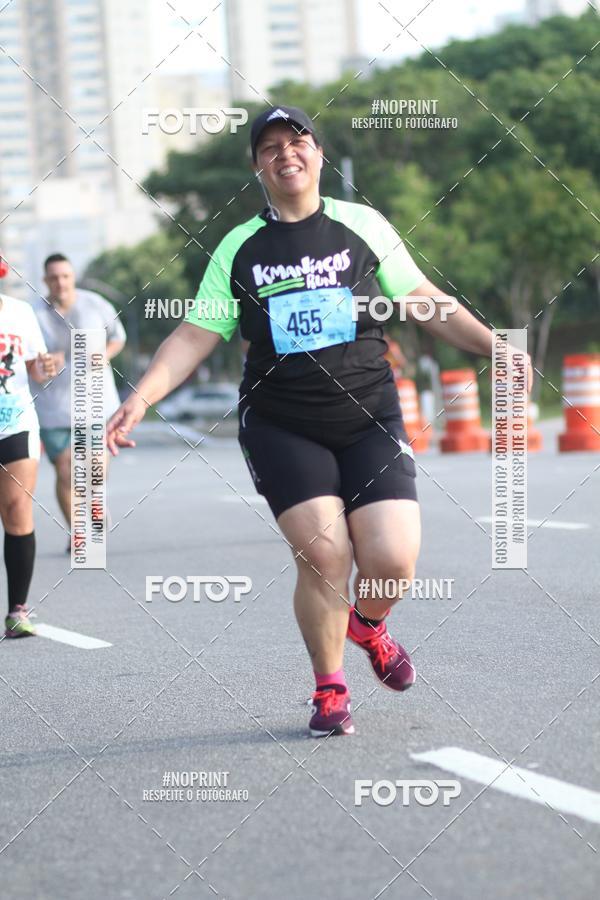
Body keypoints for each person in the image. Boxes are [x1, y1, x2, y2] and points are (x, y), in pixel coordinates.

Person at [107, 105, 532, 737]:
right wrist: (141, 397)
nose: (286, 153)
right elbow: (197, 332)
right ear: (258, 167)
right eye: (270, 147)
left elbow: (422, 299)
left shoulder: (361, 225)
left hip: (369, 414)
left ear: (319, 154)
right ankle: (330, 687)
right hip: (282, 423)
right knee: (326, 554)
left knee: (393, 559)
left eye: (297, 141)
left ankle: (369, 626)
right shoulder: (239, 247)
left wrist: (495, 345)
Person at [32, 254, 126, 549]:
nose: (60, 282)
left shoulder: (95, 304)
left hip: (96, 403)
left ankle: (95, 502)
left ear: (72, 277)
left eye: (65, 276)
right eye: (54, 277)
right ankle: (79, 534)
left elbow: (118, 337)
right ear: (45, 280)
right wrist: (45, 363)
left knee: (95, 469)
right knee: (66, 470)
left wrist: (105, 355)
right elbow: (28, 358)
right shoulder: (34, 314)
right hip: (53, 408)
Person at [0, 257, 57, 637]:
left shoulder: (20, 313)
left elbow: (35, 369)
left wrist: (44, 369)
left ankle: (17, 610)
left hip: (15, 422)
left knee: (17, 508)